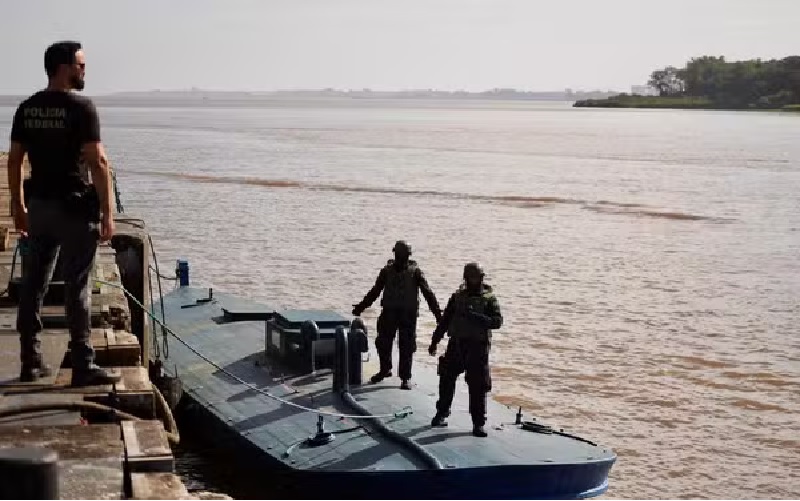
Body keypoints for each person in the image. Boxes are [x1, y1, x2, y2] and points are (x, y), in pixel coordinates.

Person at [7, 41, 119, 386]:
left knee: (33, 284)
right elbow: (98, 161)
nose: (84, 70)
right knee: (77, 286)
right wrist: (108, 212)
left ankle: (30, 360)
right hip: (74, 209)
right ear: (63, 67)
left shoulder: (27, 108)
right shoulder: (82, 108)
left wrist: (18, 205)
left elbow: (14, 160)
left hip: (39, 207)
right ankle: (83, 364)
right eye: (80, 65)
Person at [352, 240, 442, 389]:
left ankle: (405, 377)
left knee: (407, 346)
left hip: (408, 315)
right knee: (382, 343)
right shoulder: (386, 271)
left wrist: (438, 315)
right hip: (389, 313)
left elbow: (428, 294)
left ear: (408, 256)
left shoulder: (415, 272)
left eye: (404, 255)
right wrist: (361, 307)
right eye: (399, 255)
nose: (401, 258)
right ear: (395, 255)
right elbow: (375, 291)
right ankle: (385, 369)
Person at [428, 262, 502, 437]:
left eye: (478, 278)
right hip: (457, 344)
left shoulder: (489, 299)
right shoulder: (457, 297)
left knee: (478, 385)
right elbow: (445, 321)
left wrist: (476, 317)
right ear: (466, 278)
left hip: (478, 347)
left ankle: (478, 423)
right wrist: (435, 341)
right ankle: (442, 413)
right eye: (472, 278)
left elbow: (497, 322)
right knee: (446, 378)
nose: (476, 281)